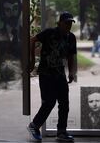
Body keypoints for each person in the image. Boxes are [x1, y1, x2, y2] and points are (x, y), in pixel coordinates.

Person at [27, 11, 77, 142]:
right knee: (49, 102)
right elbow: (32, 40)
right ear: (59, 23)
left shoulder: (71, 37)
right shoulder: (49, 33)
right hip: (46, 73)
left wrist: (71, 72)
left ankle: (61, 132)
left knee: (64, 103)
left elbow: (71, 55)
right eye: (66, 23)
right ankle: (34, 125)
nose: (68, 25)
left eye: (70, 23)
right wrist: (32, 61)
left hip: (60, 74)